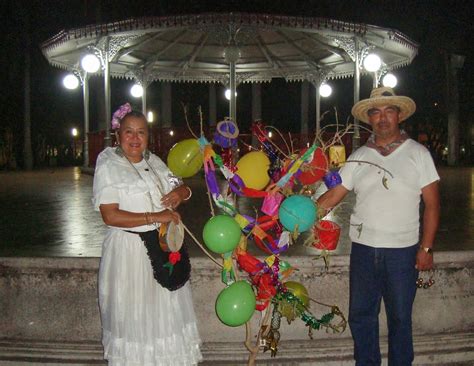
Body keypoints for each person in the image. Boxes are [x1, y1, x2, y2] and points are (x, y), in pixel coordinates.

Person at [317, 87, 440, 366]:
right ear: (369, 119)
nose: (382, 118)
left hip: (402, 252)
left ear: (399, 116)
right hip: (363, 251)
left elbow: (432, 205)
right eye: (376, 112)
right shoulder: (359, 156)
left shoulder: (418, 154)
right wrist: (296, 215)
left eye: (389, 111)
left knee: (399, 319)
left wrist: (427, 248)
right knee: (361, 316)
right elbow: (332, 196)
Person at [92, 107, 202, 365]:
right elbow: (109, 216)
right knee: (134, 315)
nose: (135, 138)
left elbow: (181, 188)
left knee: (166, 311)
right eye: (128, 131)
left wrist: (181, 193)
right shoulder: (109, 163)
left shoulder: (153, 161)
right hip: (129, 251)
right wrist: (154, 217)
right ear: (117, 134)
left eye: (141, 132)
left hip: (162, 244)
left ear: (148, 136)